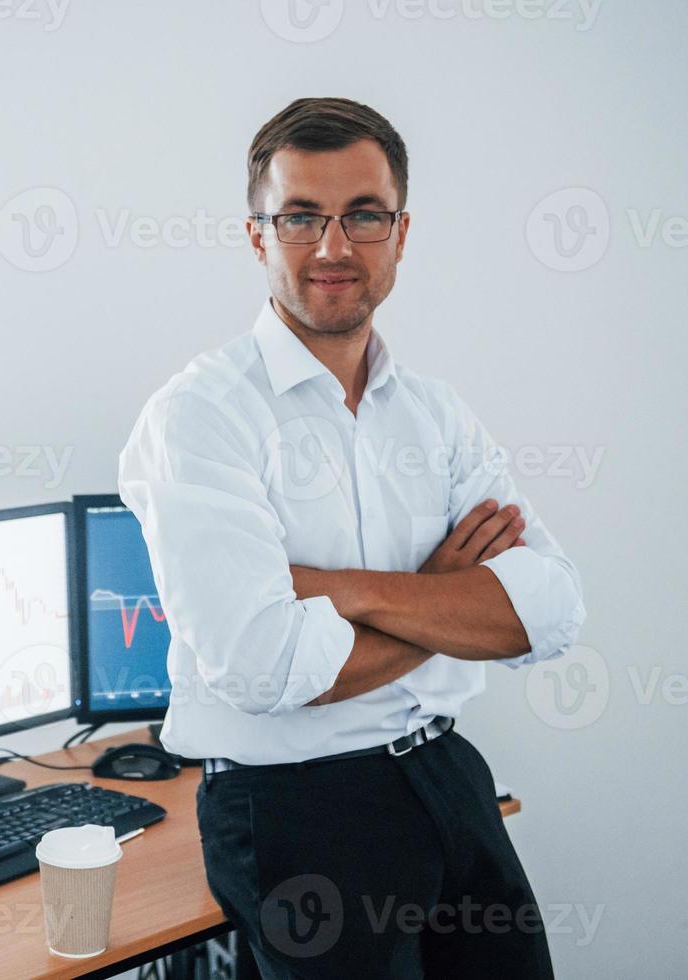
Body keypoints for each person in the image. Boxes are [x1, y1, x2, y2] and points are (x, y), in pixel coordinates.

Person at [117, 96, 586, 979]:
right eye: (300, 216)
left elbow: (551, 609)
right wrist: (445, 594)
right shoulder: (201, 417)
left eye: (363, 215)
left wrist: (347, 588)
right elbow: (261, 667)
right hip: (296, 813)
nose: (333, 247)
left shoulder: (434, 413)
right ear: (258, 235)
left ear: (401, 233)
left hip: (447, 775)